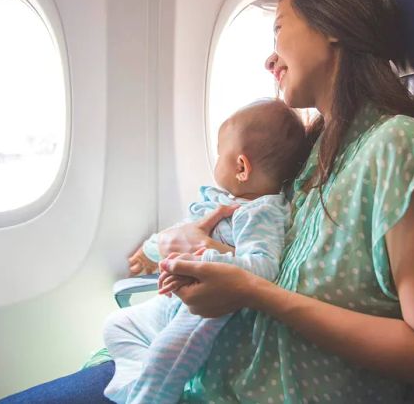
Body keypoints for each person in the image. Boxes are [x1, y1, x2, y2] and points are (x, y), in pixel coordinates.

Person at [0, 0, 414, 403]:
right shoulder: (315, 151)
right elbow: (287, 270)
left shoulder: (397, 146)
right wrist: (209, 253)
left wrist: (250, 292)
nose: (270, 60)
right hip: (209, 380)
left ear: (331, 28)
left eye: (279, 31)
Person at [102, 99, 310, 404]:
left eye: (218, 154)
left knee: (166, 354)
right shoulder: (223, 199)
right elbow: (187, 230)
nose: (215, 162)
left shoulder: (261, 212)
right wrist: (153, 249)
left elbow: (264, 267)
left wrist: (207, 258)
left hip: (209, 312)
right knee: (117, 325)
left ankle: (149, 396)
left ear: (241, 166)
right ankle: (137, 381)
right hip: (177, 301)